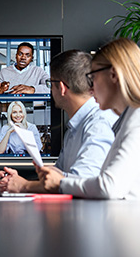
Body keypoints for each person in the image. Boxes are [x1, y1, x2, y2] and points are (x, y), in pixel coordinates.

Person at [0, 50, 118, 193]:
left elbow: (83, 183)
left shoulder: (98, 124)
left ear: (61, 87)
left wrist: (23, 186)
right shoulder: (75, 127)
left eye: (50, 83)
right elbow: (59, 178)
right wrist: (16, 181)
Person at [38, 38, 140, 199]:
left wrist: (61, 183)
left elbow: (109, 186)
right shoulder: (128, 119)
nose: (90, 87)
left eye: (93, 77)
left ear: (113, 74)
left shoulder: (136, 120)